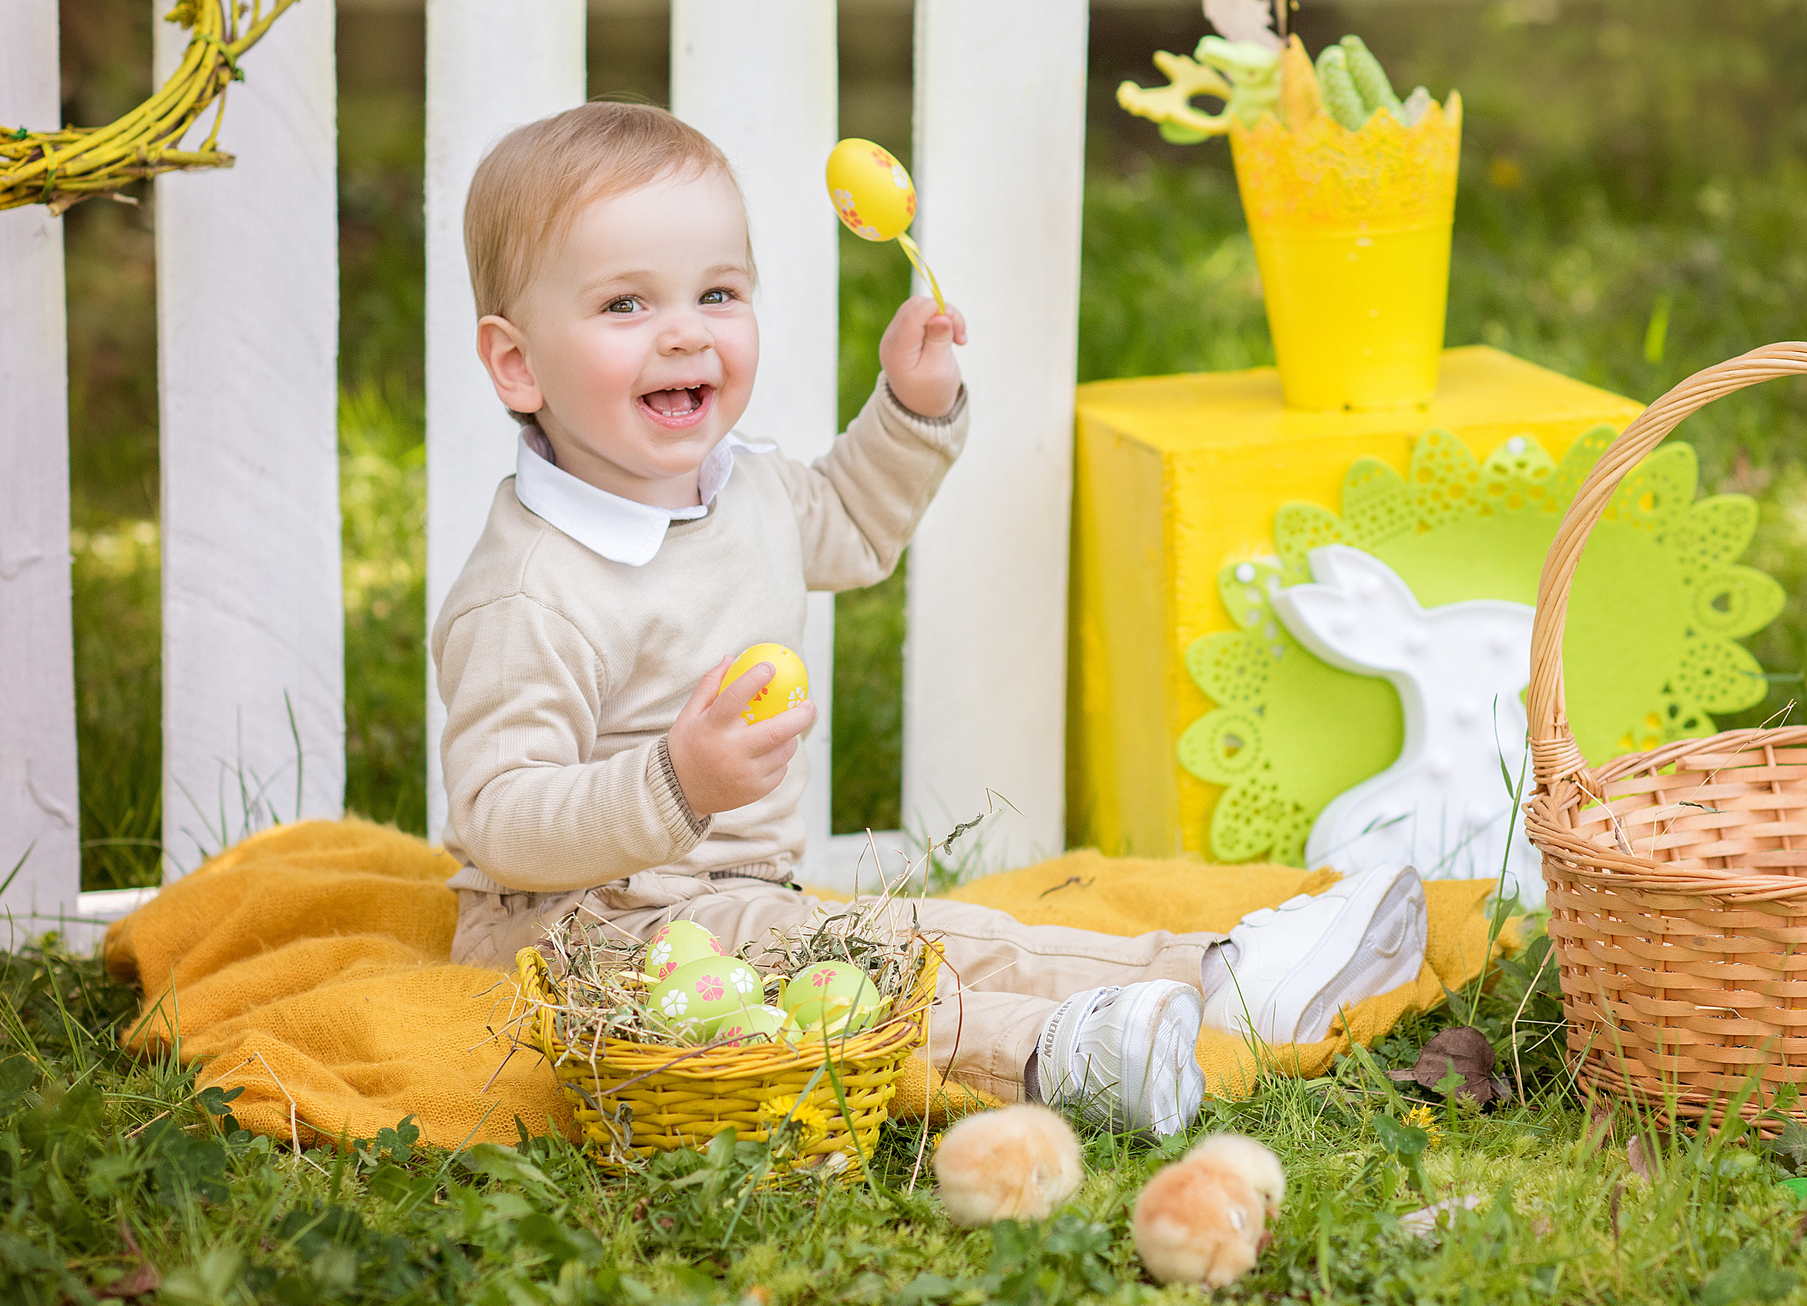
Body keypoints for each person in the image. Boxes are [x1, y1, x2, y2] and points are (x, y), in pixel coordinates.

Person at [434, 102, 1426, 1136]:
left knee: (922, 932)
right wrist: (675, 781)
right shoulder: (532, 589)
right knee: (848, 984)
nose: (686, 330)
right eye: (625, 303)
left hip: (731, 899)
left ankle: (1222, 973)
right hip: (582, 932)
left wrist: (908, 408)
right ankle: (1056, 1054)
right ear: (517, 363)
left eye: (717, 293)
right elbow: (500, 816)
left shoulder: (743, 490)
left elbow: (854, 524)